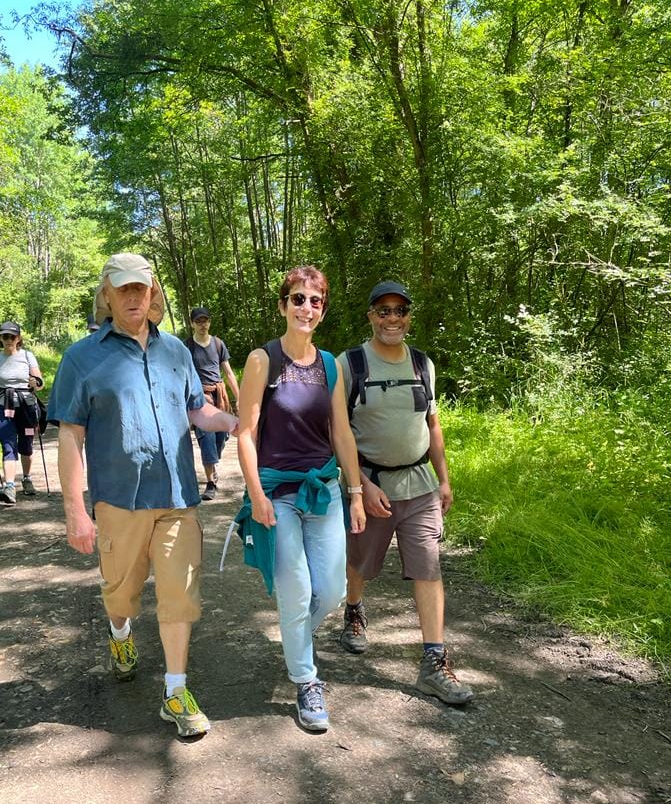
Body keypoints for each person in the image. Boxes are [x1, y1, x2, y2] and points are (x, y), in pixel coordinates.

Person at [47, 253, 238, 738]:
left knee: (180, 595)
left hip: (177, 498)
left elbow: (198, 411)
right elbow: (70, 434)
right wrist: (75, 511)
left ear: (153, 295)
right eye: (123, 289)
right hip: (118, 503)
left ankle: (175, 692)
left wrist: (233, 421)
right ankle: (119, 634)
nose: (134, 296)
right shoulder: (81, 358)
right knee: (122, 596)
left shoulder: (176, 351)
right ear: (106, 296)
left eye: (142, 288)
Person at [237, 265, 366, 732]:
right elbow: (246, 434)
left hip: (323, 489)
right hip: (278, 493)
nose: (306, 308)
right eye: (298, 299)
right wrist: (255, 494)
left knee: (329, 591)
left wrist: (354, 492)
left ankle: (295, 639)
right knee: (295, 590)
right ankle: (306, 680)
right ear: (283, 305)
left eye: (315, 301)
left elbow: (341, 432)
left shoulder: (330, 365)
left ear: (323, 310)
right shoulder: (261, 360)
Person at [338, 281, 472, 704]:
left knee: (429, 568)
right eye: (383, 311)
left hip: (420, 486)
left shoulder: (422, 364)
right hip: (372, 487)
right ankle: (354, 612)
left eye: (399, 311)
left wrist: (444, 478)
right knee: (358, 561)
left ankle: (434, 662)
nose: (391, 319)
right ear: (370, 316)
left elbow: (432, 424)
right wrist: (360, 486)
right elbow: (335, 432)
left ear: (409, 316)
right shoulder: (350, 364)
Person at [0, 321, 44, 505]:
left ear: (19, 338)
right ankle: (9, 487)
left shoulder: (27, 356)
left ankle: (26, 478)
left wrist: (36, 384)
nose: (8, 339)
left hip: (26, 406)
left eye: (12, 336)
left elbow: (40, 383)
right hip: (2, 405)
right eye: (5, 336)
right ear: (0, 338)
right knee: (8, 444)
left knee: (26, 444)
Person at [185, 306, 240, 500]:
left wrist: (239, 397)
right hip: (200, 398)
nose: (203, 325)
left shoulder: (218, 344)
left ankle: (213, 463)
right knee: (206, 438)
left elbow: (229, 372)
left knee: (221, 438)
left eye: (205, 321)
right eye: (198, 321)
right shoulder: (187, 346)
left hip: (220, 396)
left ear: (209, 322)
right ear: (192, 323)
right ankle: (210, 482)